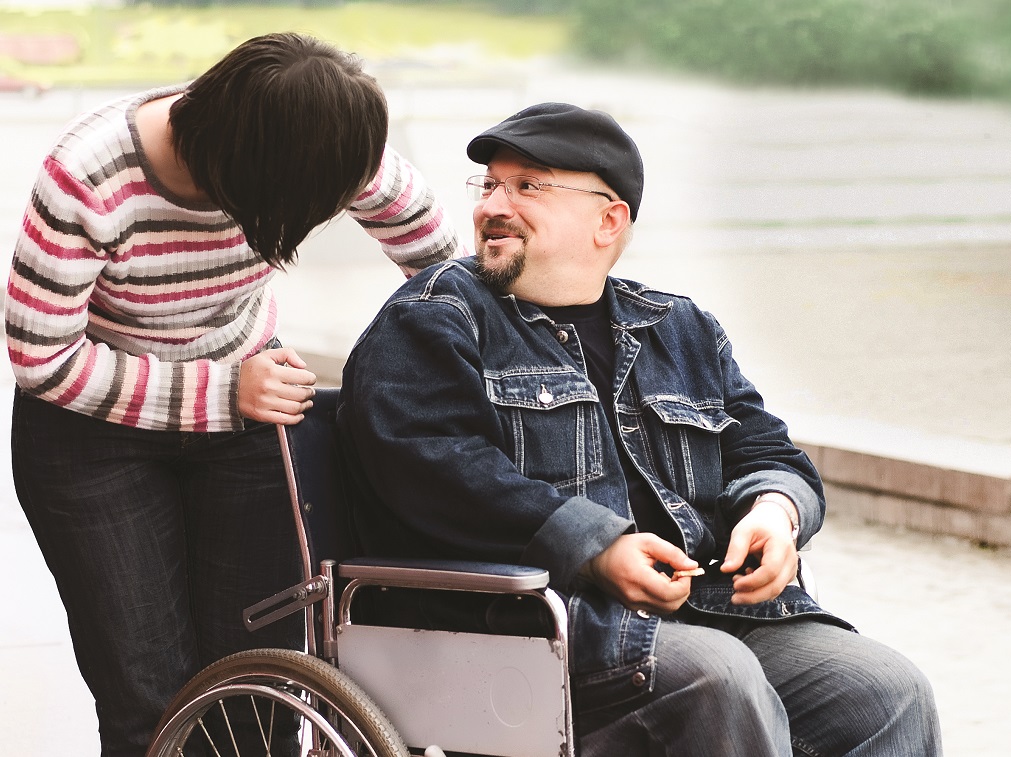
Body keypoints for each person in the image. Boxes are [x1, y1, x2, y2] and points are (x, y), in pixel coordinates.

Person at [338, 102, 943, 756]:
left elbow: (767, 451)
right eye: (488, 184)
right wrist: (596, 546)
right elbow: (434, 467)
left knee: (888, 687)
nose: (492, 204)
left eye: (528, 185)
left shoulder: (680, 329)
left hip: (709, 607)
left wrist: (776, 510)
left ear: (607, 220)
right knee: (718, 676)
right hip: (534, 626)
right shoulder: (435, 317)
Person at [6, 32, 461, 756]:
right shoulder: (89, 176)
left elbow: (436, 255)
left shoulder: (319, 132)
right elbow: (42, 360)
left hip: (249, 417)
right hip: (91, 437)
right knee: (150, 698)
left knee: (261, 685)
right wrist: (223, 392)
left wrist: (453, 356)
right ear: (246, 170)